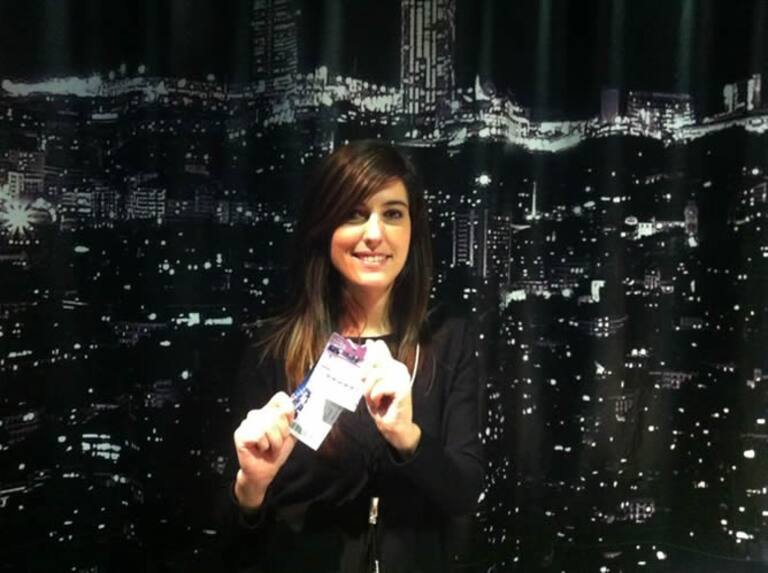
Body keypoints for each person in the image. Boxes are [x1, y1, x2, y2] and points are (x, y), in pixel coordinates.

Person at [218, 141, 484, 572]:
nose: (374, 234)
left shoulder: (448, 341)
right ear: (325, 227)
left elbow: (464, 493)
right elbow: (230, 540)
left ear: (413, 228)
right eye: (354, 214)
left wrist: (407, 437)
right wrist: (251, 486)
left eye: (393, 213)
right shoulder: (273, 349)